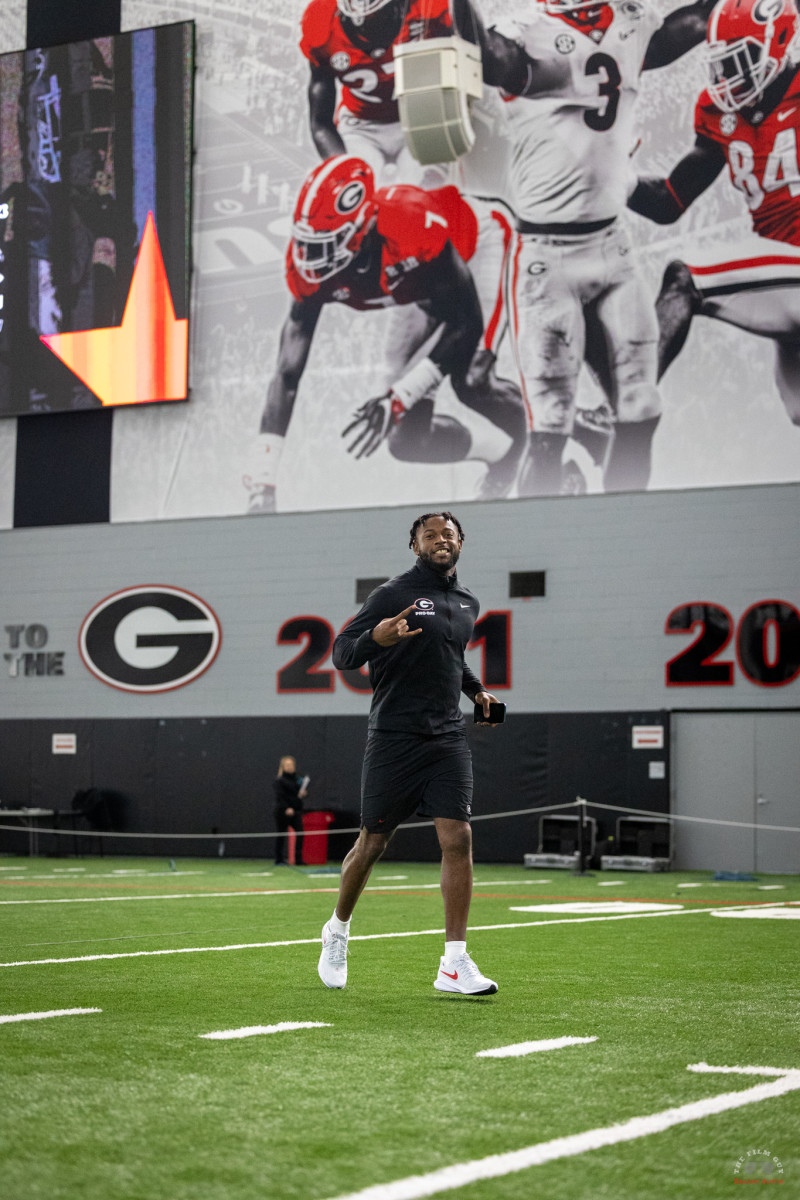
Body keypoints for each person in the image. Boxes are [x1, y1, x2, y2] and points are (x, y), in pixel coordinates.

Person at [478, 0, 717, 495]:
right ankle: (534, 554)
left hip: (614, 249)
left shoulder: (628, 19)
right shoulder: (521, 28)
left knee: (640, 409)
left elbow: (700, 19)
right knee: (549, 428)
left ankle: (623, 529)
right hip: (547, 257)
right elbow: (494, 58)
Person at [244, 155, 527, 512]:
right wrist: (263, 480)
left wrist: (400, 396)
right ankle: (501, 453)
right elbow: (286, 375)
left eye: (326, 243)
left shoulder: (411, 225)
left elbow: (465, 323)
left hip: (476, 247)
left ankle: (533, 443)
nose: (311, 258)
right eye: (307, 242)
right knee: (407, 441)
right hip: (421, 289)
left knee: (470, 379)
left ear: (363, 230)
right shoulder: (310, 269)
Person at [319, 511, 502, 995]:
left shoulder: (467, 602)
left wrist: (478, 692)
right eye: (430, 535)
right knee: (372, 846)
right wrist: (375, 638)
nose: (440, 541)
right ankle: (336, 929)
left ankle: (454, 963)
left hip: (446, 739)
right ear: (414, 545)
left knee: (458, 838)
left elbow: (452, 658)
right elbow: (341, 653)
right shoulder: (392, 595)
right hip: (394, 738)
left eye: (448, 534)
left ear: (462, 541)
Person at [627, 0, 800, 430]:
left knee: (686, 280)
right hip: (780, 280)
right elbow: (669, 200)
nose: (729, 78)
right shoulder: (720, 113)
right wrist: (616, 179)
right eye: (723, 64)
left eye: (742, 60)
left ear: (780, 45)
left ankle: (628, 405)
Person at [273, 755, 309, 866]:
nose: (290, 767)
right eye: (287, 765)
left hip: (296, 811)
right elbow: (280, 797)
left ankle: (298, 860)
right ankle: (279, 860)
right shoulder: (279, 781)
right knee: (281, 835)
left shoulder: (297, 779)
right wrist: (286, 808)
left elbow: (298, 794)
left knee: (300, 833)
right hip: (282, 812)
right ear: (283, 767)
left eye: (291, 764)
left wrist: (303, 793)